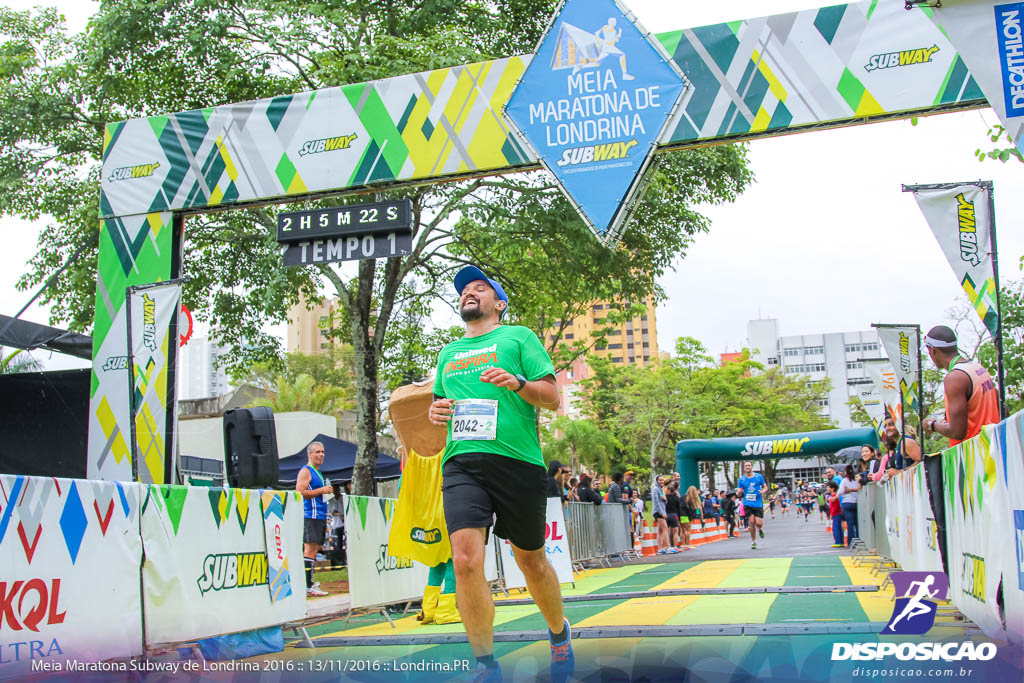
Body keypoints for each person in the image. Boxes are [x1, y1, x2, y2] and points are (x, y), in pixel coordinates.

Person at [429, 265, 571, 682]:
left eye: (479, 288)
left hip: (518, 463)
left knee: (531, 561)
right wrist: (434, 411)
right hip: (461, 462)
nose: (468, 294)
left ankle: (559, 634)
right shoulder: (447, 354)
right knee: (465, 560)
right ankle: (486, 664)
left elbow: (551, 398)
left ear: (499, 303)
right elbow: (439, 408)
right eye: (464, 291)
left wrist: (516, 382)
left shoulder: (519, 337)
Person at [921, 325, 1000, 446]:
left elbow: (957, 431)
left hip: (975, 454)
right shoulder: (977, 368)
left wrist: (931, 425)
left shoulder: (955, 378)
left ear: (933, 350)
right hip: (994, 445)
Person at [296, 441, 332, 597]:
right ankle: (307, 585)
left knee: (315, 549)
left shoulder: (318, 472)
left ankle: (309, 583)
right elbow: (300, 492)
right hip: (311, 515)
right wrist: (321, 490)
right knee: (309, 549)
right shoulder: (306, 471)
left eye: (323, 452)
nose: (321, 455)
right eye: (317, 452)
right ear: (309, 454)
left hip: (320, 515)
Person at [737, 462, 767, 549]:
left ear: (751, 467)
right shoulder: (742, 479)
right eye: (746, 465)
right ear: (744, 468)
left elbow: (765, 487)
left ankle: (760, 529)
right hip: (747, 503)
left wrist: (763, 491)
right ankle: (753, 541)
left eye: (749, 465)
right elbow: (739, 490)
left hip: (757, 503)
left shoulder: (758, 476)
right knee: (752, 522)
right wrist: (739, 492)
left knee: (759, 523)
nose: (747, 467)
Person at [837, 465, 861, 548]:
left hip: (847, 503)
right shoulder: (857, 480)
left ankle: (851, 542)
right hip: (856, 503)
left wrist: (847, 491)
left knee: (850, 524)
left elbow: (840, 492)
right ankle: (858, 540)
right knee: (857, 523)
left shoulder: (845, 480)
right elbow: (859, 489)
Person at [651, 475, 670, 553]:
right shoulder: (655, 489)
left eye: (662, 480)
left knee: (660, 530)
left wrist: (664, 499)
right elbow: (656, 502)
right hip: (658, 511)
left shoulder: (661, 489)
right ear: (657, 481)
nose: (662, 482)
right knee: (665, 528)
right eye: (660, 480)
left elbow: (664, 501)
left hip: (662, 510)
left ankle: (660, 548)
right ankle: (667, 546)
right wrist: (662, 513)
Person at [663, 483, 682, 553]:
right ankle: (675, 546)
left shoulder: (665, 498)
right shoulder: (676, 498)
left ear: (668, 490)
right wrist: (679, 519)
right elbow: (679, 509)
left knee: (666, 531)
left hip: (666, 515)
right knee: (675, 532)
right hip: (674, 515)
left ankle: (667, 546)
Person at [826, 481, 844, 548]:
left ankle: (837, 541)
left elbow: (834, 507)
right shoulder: (834, 497)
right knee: (839, 527)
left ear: (832, 488)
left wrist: (831, 514)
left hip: (835, 514)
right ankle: (841, 541)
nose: (827, 488)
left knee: (835, 528)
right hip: (837, 513)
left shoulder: (833, 497)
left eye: (828, 487)